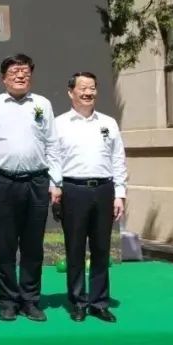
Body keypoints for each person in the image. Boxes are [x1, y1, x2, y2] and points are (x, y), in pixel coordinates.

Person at [0, 54, 62, 322]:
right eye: (14, 71)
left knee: (33, 245)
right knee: (4, 245)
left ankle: (30, 300)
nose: (20, 75)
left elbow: (52, 144)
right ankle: (7, 301)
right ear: (4, 78)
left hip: (37, 181)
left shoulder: (42, 104)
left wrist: (55, 182)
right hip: (2, 182)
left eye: (25, 71)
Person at [54, 71, 126, 323]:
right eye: (82, 88)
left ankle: (99, 302)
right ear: (70, 92)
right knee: (75, 248)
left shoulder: (108, 123)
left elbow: (118, 159)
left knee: (101, 248)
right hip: (73, 190)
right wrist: (56, 187)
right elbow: (53, 159)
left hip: (104, 190)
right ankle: (78, 302)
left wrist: (120, 194)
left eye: (92, 88)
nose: (88, 92)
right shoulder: (59, 123)